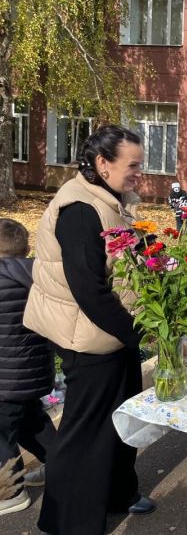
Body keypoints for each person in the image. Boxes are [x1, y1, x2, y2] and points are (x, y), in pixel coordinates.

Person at [23, 125, 156, 534]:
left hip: (113, 333)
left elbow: (122, 265)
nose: (139, 173)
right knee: (85, 435)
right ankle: (68, 522)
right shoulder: (79, 209)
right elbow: (90, 292)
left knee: (121, 421)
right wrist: (139, 333)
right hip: (90, 338)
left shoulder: (109, 201)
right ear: (103, 163)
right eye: (132, 165)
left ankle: (118, 493)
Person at [0, 219, 56, 516]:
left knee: (1, 435)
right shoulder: (38, 276)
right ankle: (63, 465)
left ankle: (9, 492)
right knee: (31, 424)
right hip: (33, 374)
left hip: (4, 380)